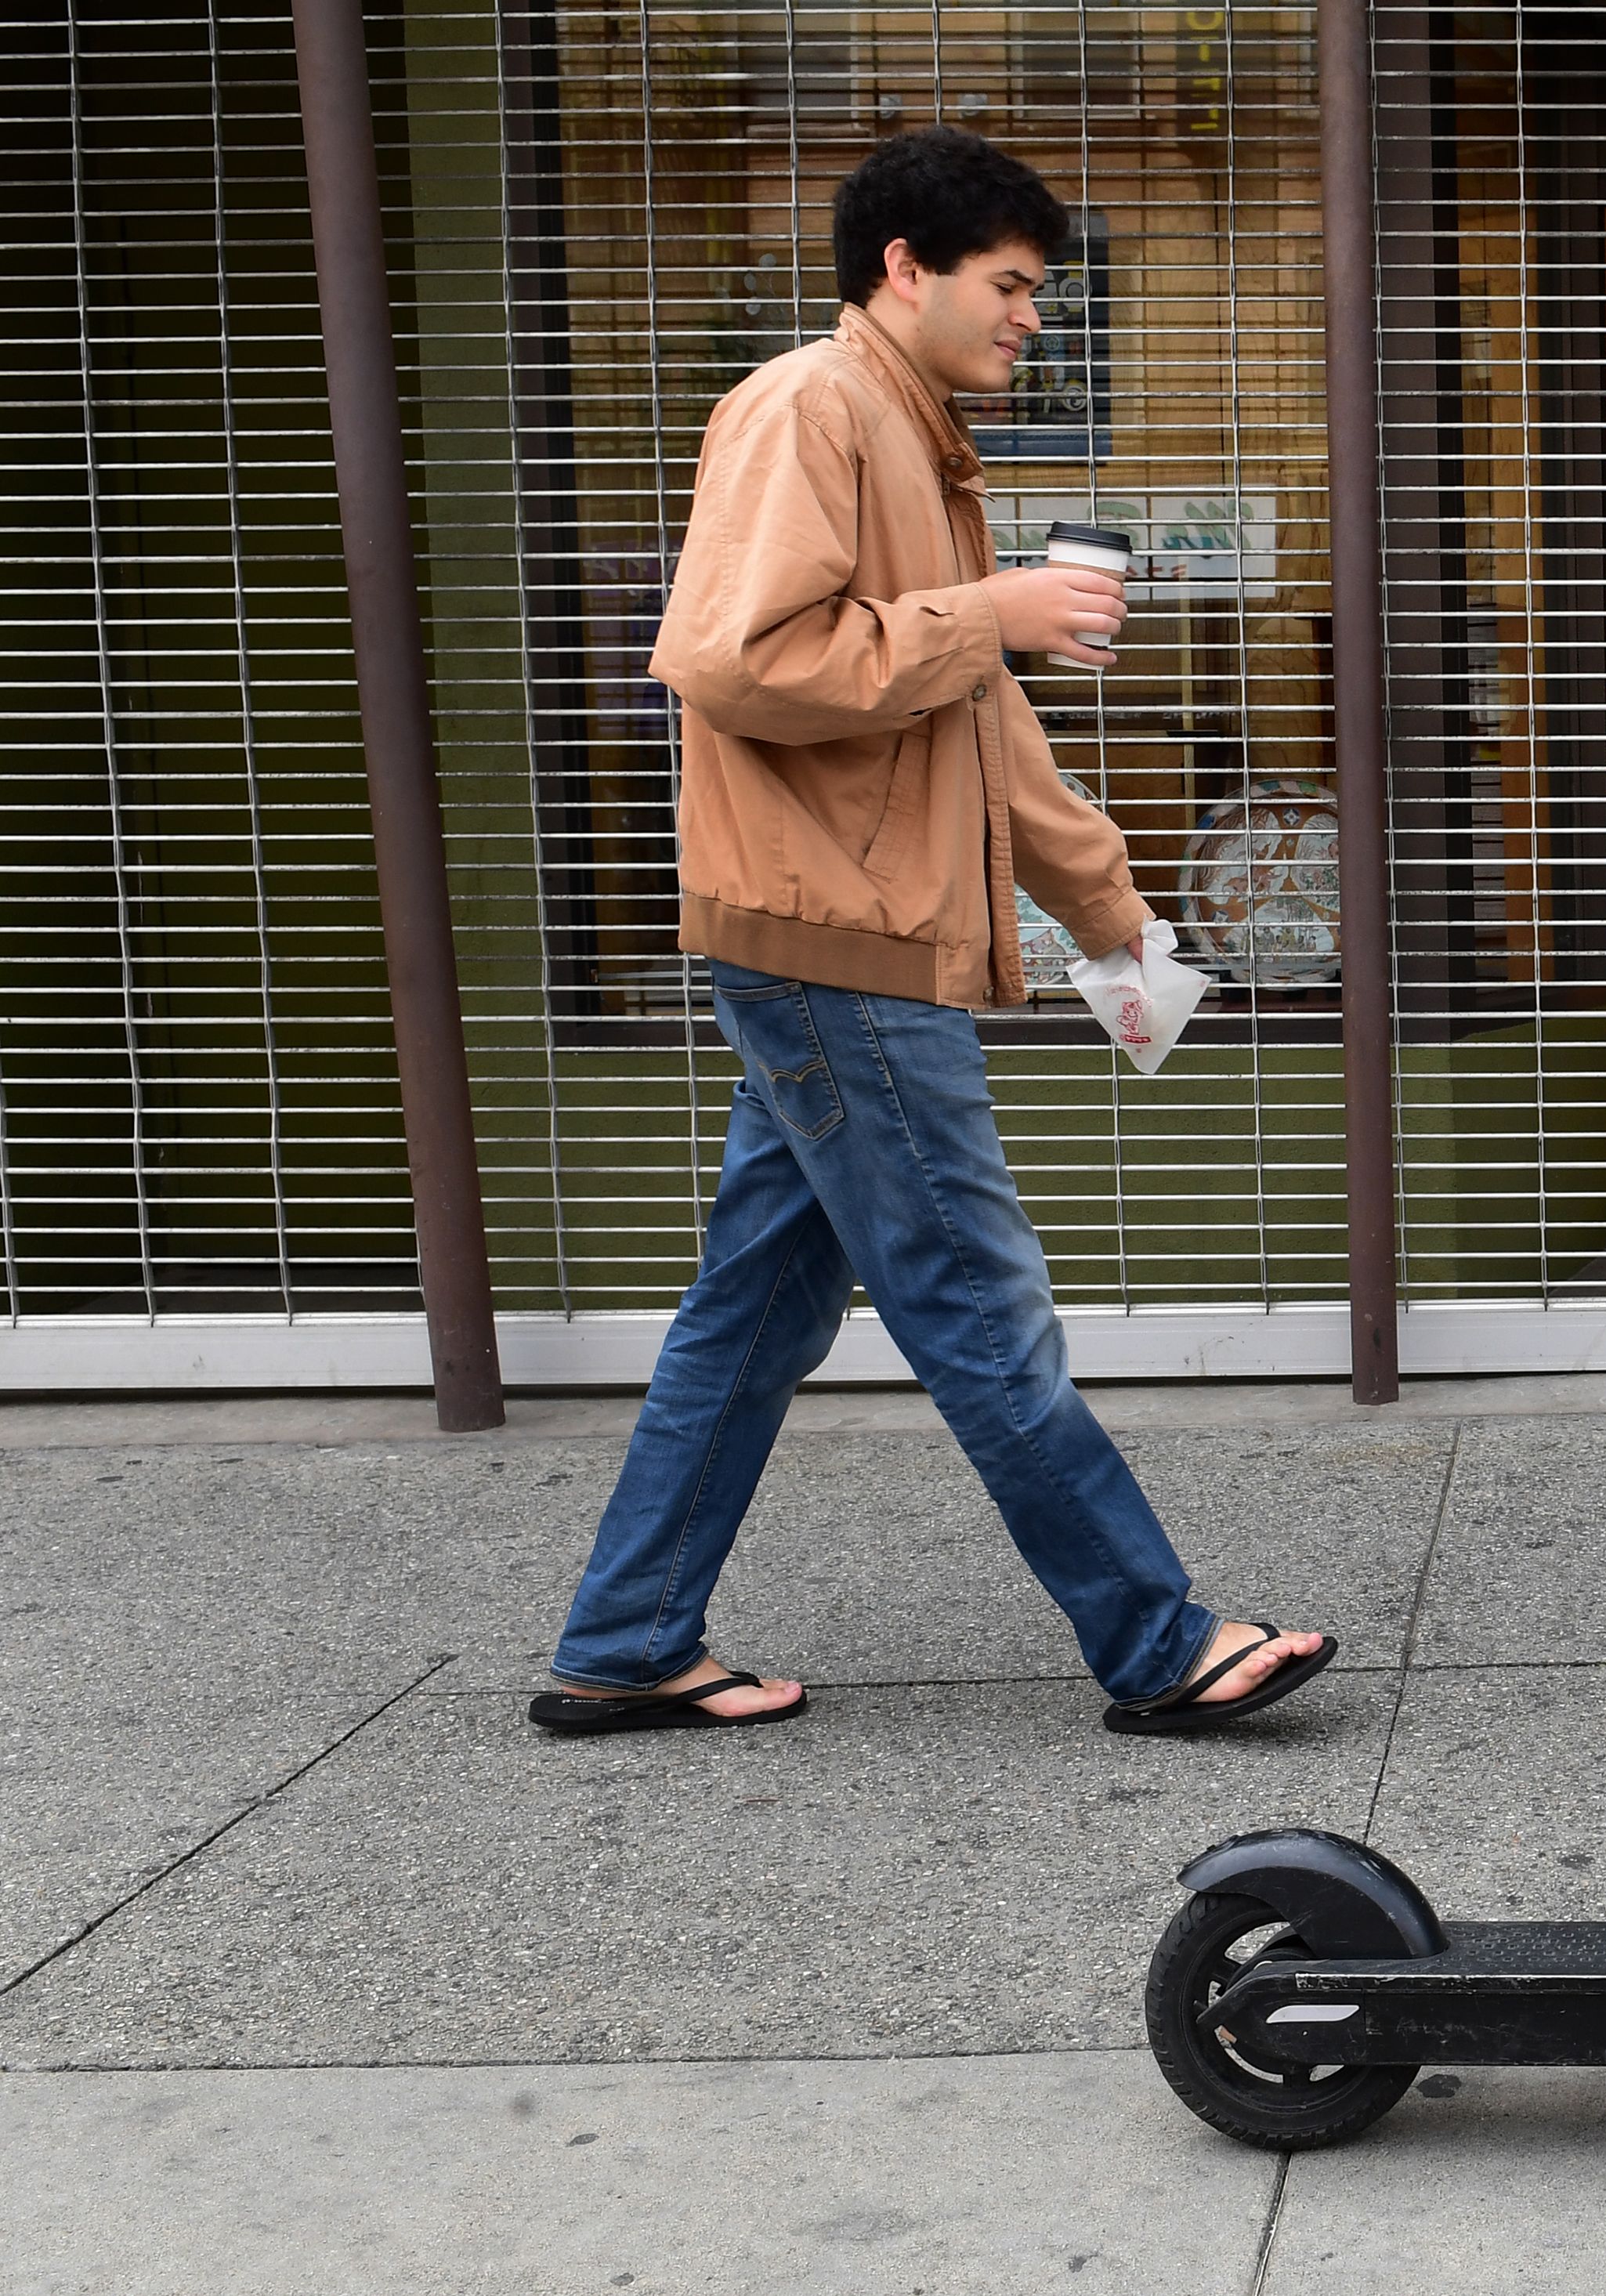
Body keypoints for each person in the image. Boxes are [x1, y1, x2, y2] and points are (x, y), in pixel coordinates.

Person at [531, 128, 1329, 1740]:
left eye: (1043, 288)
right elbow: (733, 655)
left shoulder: (919, 440)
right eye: (1013, 283)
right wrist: (998, 612)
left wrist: (1121, 928)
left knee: (756, 1303)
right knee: (972, 1290)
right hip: (833, 934)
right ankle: (1157, 1637)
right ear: (906, 268)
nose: (1035, 315)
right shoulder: (809, 408)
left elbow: (984, 732)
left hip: (841, 929)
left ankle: (624, 1636)